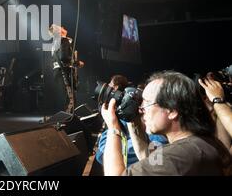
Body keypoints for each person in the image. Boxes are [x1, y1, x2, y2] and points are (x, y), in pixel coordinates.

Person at [101, 71, 231, 175]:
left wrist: (113, 128)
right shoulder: (198, 144)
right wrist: (132, 118)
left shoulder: (179, 157)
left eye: (146, 103)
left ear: (172, 110)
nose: (141, 110)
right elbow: (145, 156)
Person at [95, 74, 167, 167]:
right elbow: (144, 154)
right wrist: (131, 119)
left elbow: (102, 155)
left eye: (146, 101)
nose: (141, 108)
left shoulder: (158, 135)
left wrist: (112, 126)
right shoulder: (142, 124)